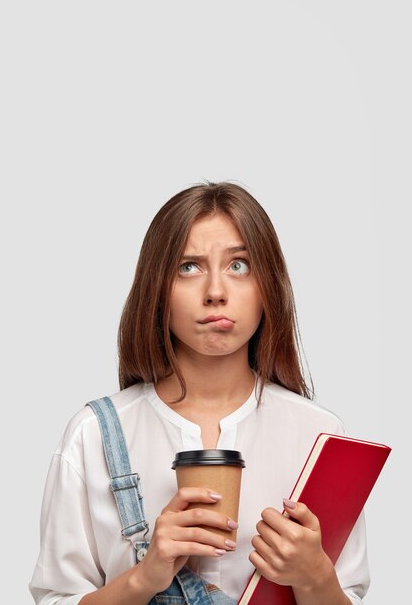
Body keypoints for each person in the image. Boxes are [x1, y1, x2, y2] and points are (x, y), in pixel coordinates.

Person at [29, 182, 368, 605]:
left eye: (239, 266)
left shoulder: (320, 436)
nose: (215, 292)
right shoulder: (93, 436)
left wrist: (315, 577)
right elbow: (56, 598)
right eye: (188, 266)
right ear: (157, 288)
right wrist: (143, 577)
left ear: (269, 286)